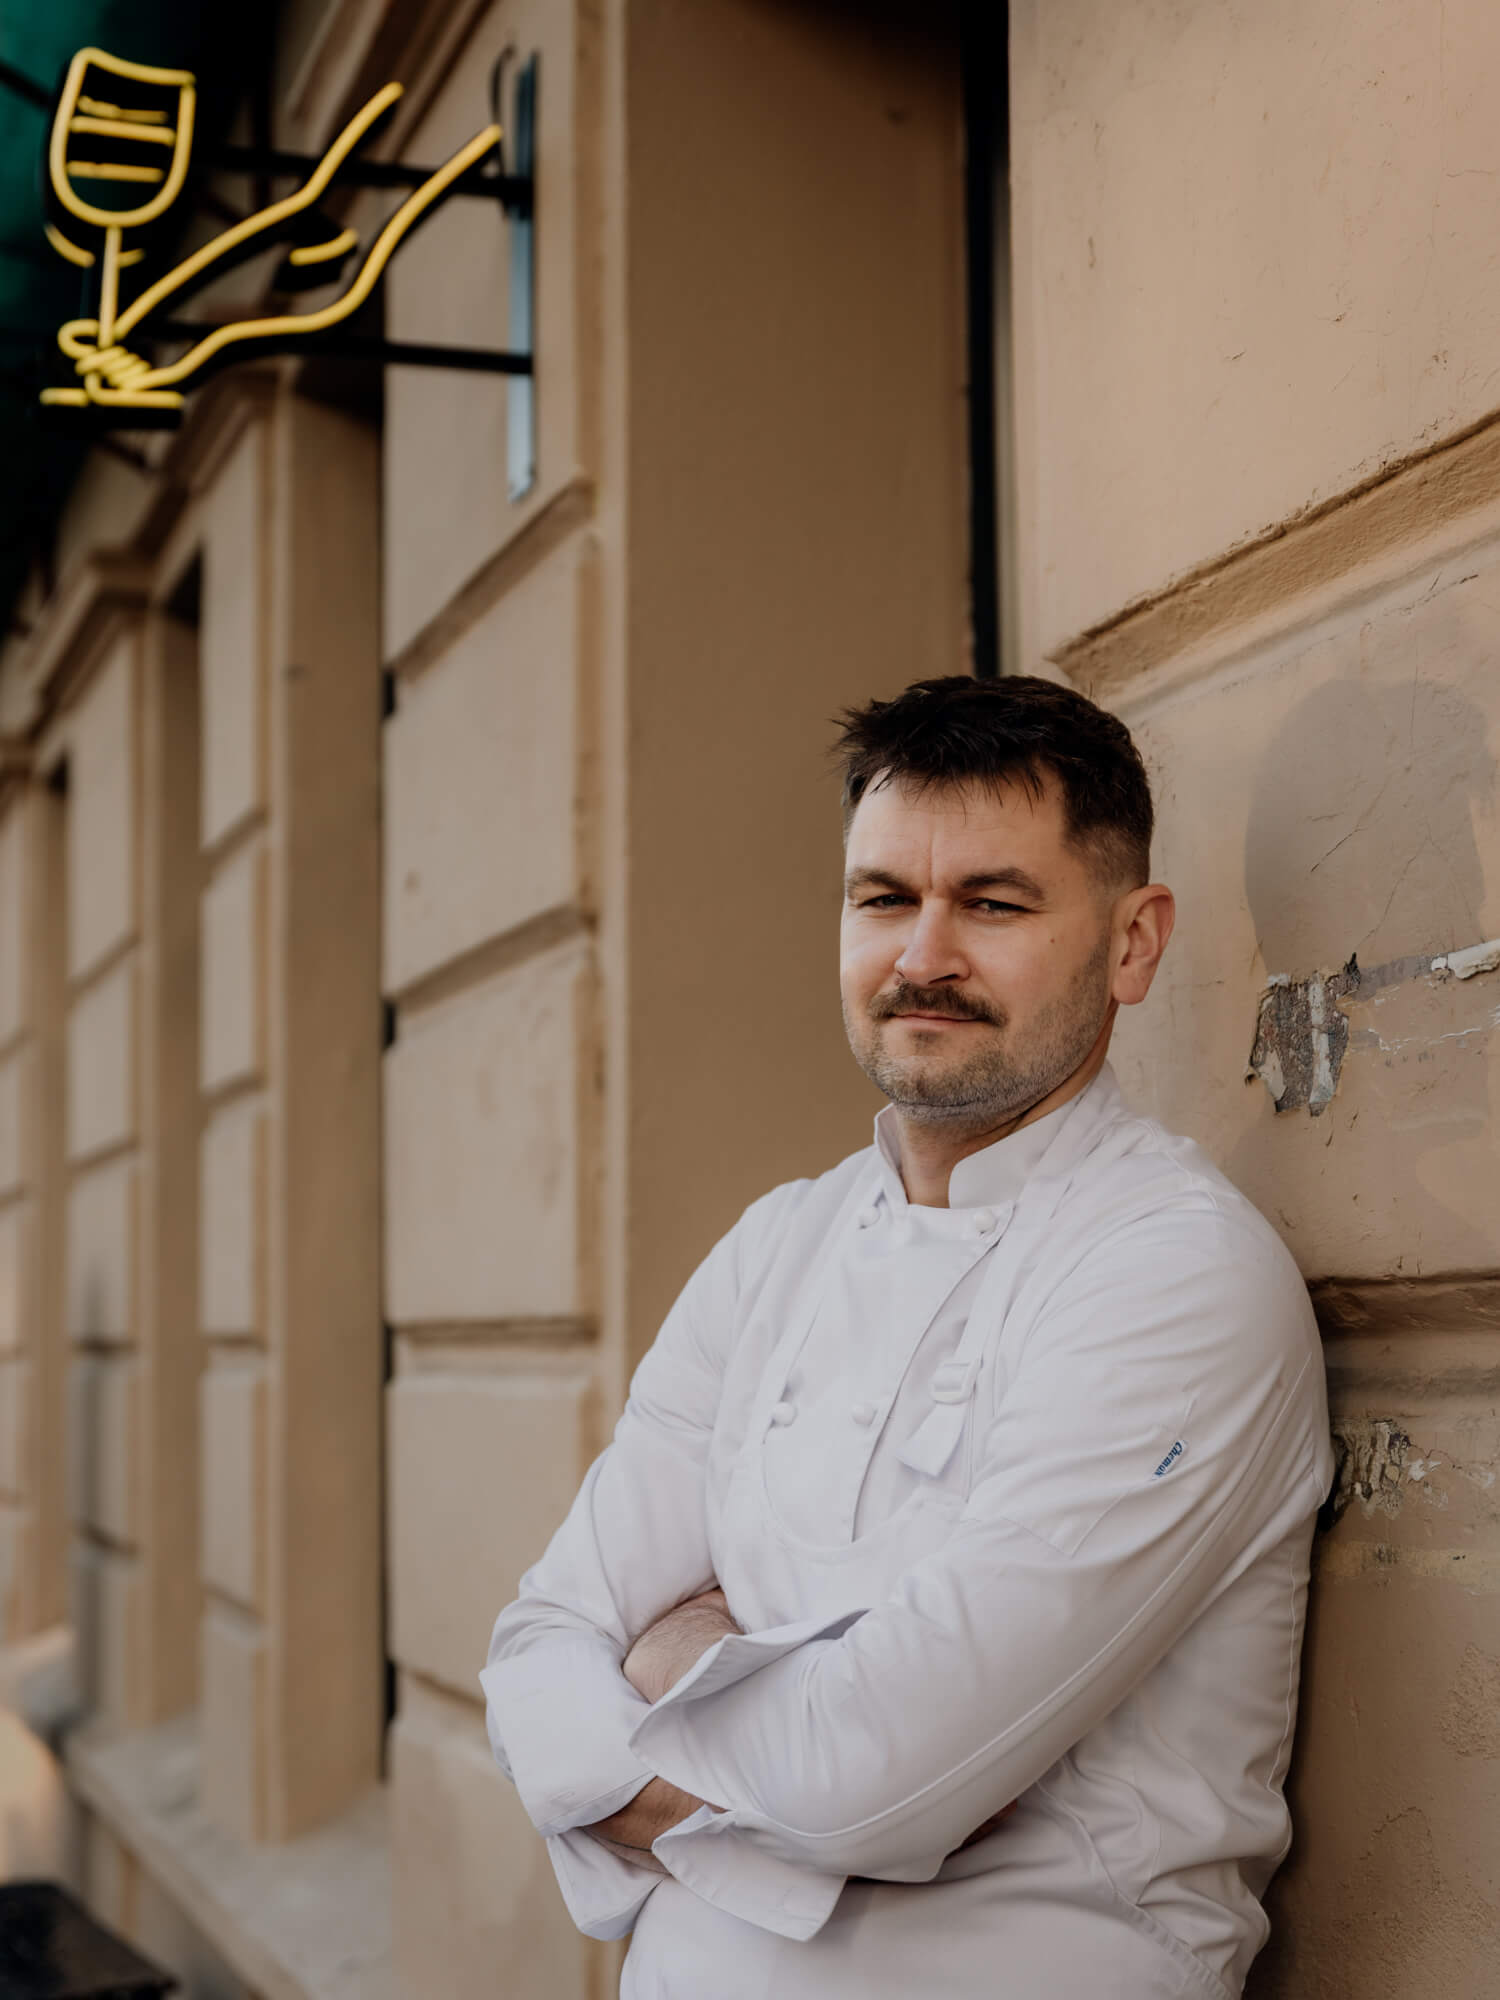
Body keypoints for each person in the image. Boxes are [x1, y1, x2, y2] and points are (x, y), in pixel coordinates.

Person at [481, 675, 1333, 1998]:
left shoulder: (1177, 1275)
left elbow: (877, 1784)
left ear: (1132, 942)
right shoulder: (778, 1245)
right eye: (885, 897)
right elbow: (540, 1643)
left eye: (992, 903)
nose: (921, 955)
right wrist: (788, 1744)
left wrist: (662, 1682)